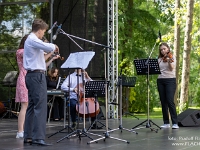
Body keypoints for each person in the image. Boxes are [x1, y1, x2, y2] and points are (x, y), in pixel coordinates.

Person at [23, 18, 59, 146]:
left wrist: (51, 53)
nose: (43, 35)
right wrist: (54, 46)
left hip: (32, 76)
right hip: (36, 77)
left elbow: (41, 59)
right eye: (43, 32)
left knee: (32, 106)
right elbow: (48, 46)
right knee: (40, 107)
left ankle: (28, 136)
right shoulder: (33, 39)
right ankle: (38, 138)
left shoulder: (32, 42)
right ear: (39, 31)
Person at [157, 42, 179, 129]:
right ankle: (166, 122)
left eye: (164, 49)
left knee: (170, 101)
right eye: (161, 49)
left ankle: (175, 123)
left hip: (170, 80)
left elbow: (171, 68)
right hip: (160, 80)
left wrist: (169, 61)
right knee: (163, 102)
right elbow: (157, 69)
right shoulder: (159, 59)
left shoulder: (172, 57)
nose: (163, 51)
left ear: (168, 49)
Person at [15, 34, 29, 139]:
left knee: (28, 106)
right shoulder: (20, 51)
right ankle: (20, 131)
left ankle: (25, 129)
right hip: (23, 79)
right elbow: (29, 53)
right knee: (24, 105)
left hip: (29, 78)